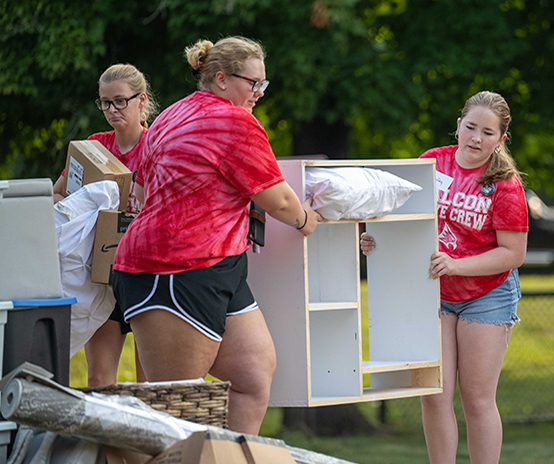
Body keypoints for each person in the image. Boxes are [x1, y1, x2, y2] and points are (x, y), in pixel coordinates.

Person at [110, 36, 321, 435]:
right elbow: (277, 200)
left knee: (253, 374)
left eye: (263, 84)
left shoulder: (172, 113)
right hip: (174, 267)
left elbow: (142, 190)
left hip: (218, 264)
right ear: (221, 78)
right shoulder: (235, 121)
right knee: (176, 411)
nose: (258, 93)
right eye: (251, 83)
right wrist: (306, 219)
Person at [361, 91, 528, 464]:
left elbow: (513, 254)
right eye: (470, 127)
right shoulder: (429, 163)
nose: (476, 138)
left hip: (487, 293)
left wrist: (456, 265)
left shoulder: (505, 184)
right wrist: (377, 237)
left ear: (501, 138)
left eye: (488, 133)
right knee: (434, 394)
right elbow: (402, 219)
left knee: (477, 397)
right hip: (432, 291)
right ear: (458, 125)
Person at [53, 63, 157, 387]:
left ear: (141, 100)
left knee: (148, 383)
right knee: (99, 379)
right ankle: (105, 441)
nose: (112, 110)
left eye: (120, 101)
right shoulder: (94, 146)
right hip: (101, 275)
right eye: (104, 102)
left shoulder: (158, 144)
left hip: (145, 274)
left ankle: (143, 440)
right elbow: (59, 195)